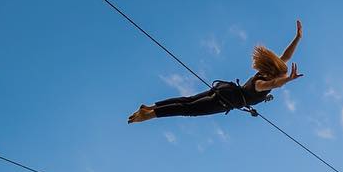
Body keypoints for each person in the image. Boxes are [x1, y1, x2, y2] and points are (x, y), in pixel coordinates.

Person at [129, 21, 303, 123]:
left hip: (225, 89)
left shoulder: (262, 74)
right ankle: (150, 114)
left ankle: (151, 107)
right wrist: (288, 80)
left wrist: (298, 38)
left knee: (187, 100)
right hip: (225, 100)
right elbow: (275, 84)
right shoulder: (261, 84)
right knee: (189, 109)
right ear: (275, 74)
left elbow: (285, 57)